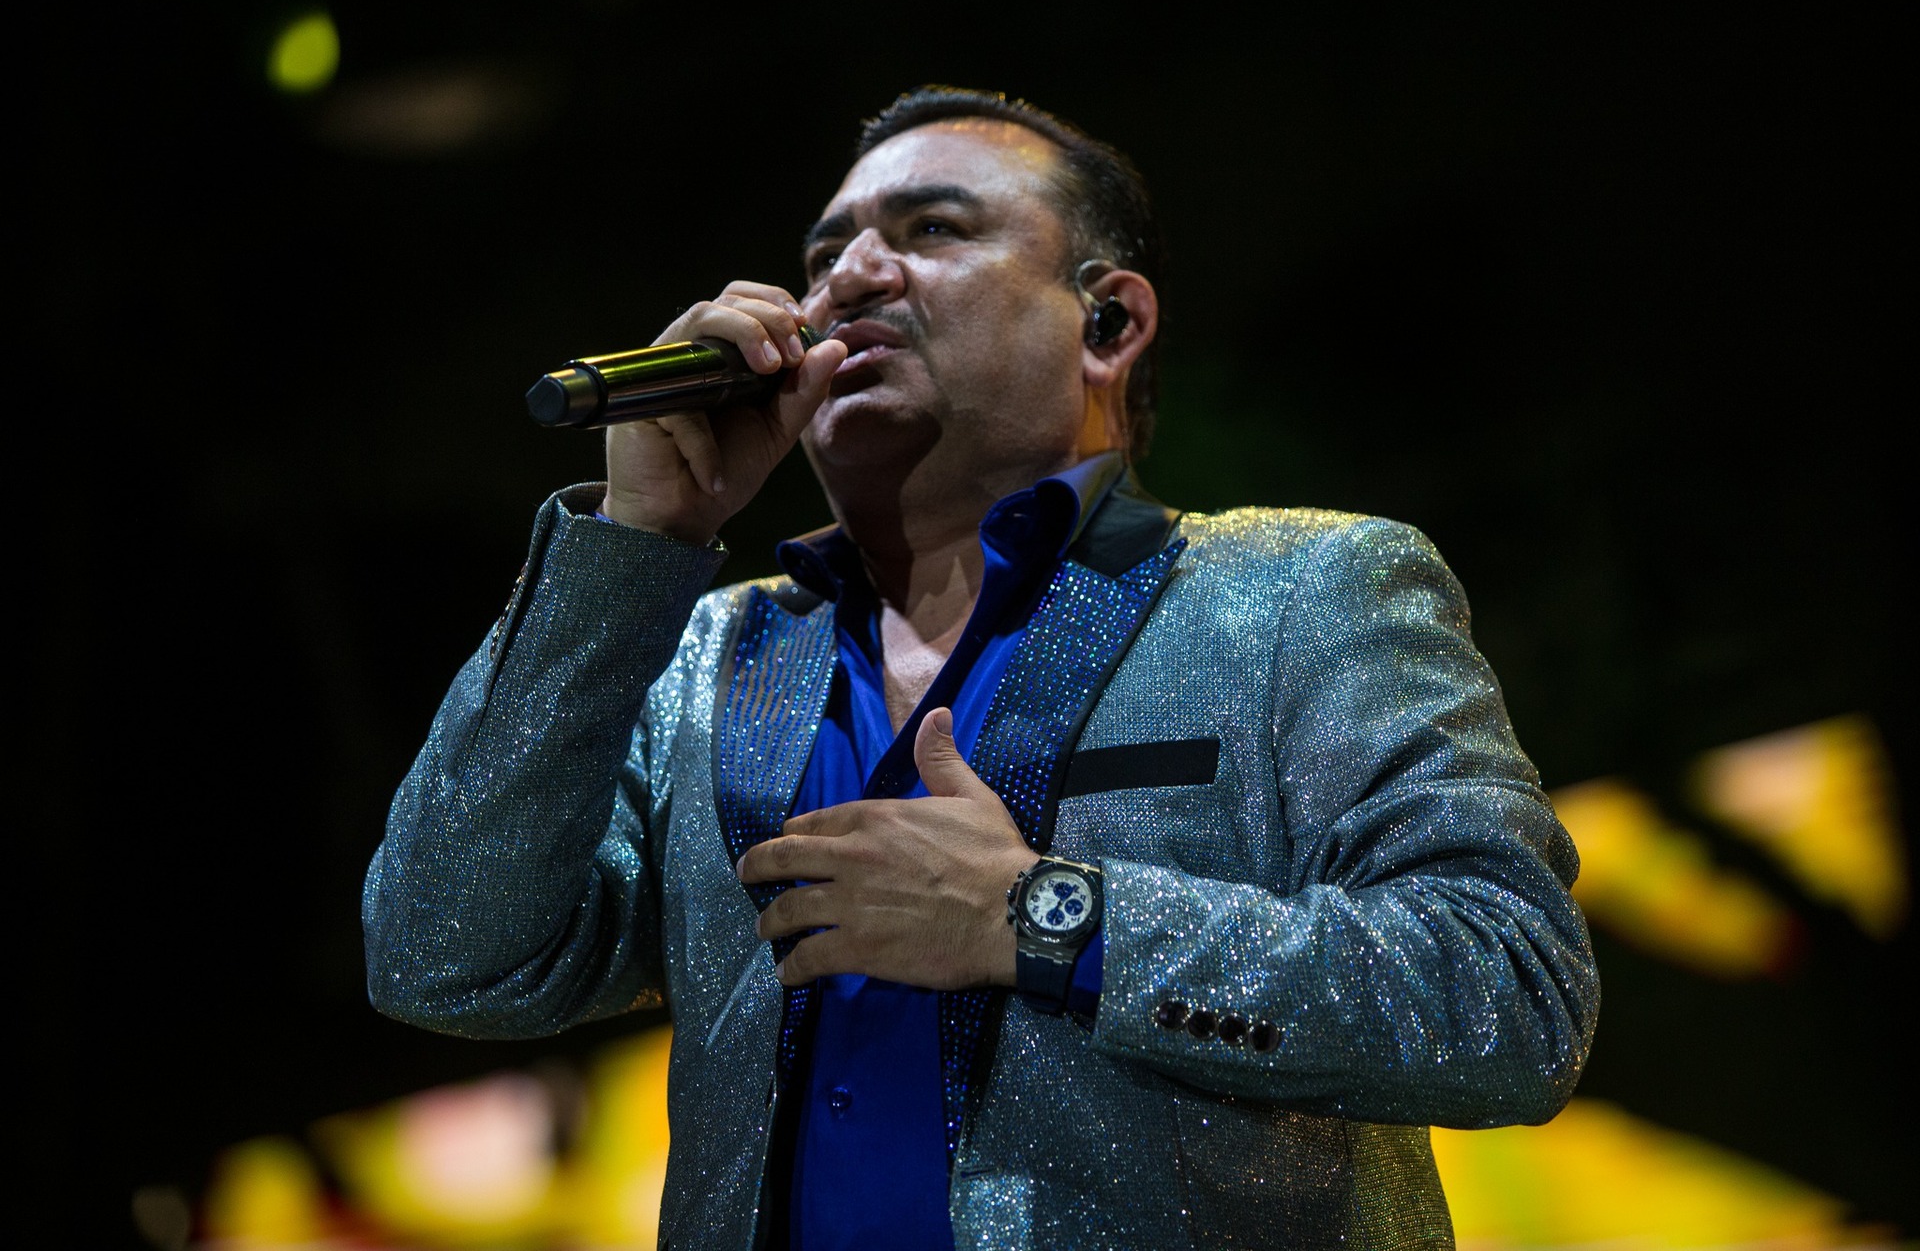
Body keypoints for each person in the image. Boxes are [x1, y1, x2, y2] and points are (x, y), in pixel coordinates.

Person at [364, 86, 1599, 1249]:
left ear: (1108, 322)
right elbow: (444, 959)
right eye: (825, 254)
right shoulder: (703, 651)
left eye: (933, 229)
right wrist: (635, 547)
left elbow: (1509, 994)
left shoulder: (1300, 591)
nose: (849, 278)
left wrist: (1042, 917)